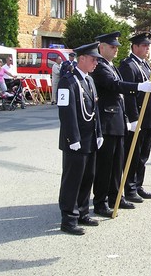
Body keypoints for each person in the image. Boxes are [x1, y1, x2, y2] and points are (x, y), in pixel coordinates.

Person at [91, 32, 151, 217]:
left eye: (117, 46)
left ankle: (115, 196)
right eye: (112, 47)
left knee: (117, 163)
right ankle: (101, 202)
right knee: (105, 165)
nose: (116, 49)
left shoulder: (111, 65)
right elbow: (115, 85)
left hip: (118, 121)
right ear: (101, 47)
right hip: (108, 121)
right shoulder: (100, 66)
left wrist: (127, 119)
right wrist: (138, 87)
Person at [57, 42, 104, 236]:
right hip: (75, 140)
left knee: (87, 177)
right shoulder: (67, 81)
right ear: (82, 59)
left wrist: (99, 133)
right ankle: (68, 218)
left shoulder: (89, 80)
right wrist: (72, 137)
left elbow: (95, 110)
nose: (96, 64)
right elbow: (66, 112)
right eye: (93, 60)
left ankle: (83, 212)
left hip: (90, 137)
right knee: (72, 180)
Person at [119, 32, 151, 203]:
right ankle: (129, 188)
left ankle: (138, 184)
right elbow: (128, 95)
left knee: (144, 154)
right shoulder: (128, 65)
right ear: (135, 47)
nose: (147, 49)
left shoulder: (145, 64)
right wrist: (133, 118)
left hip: (149, 116)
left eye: (148, 46)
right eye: (144, 46)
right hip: (138, 116)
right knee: (134, 153)